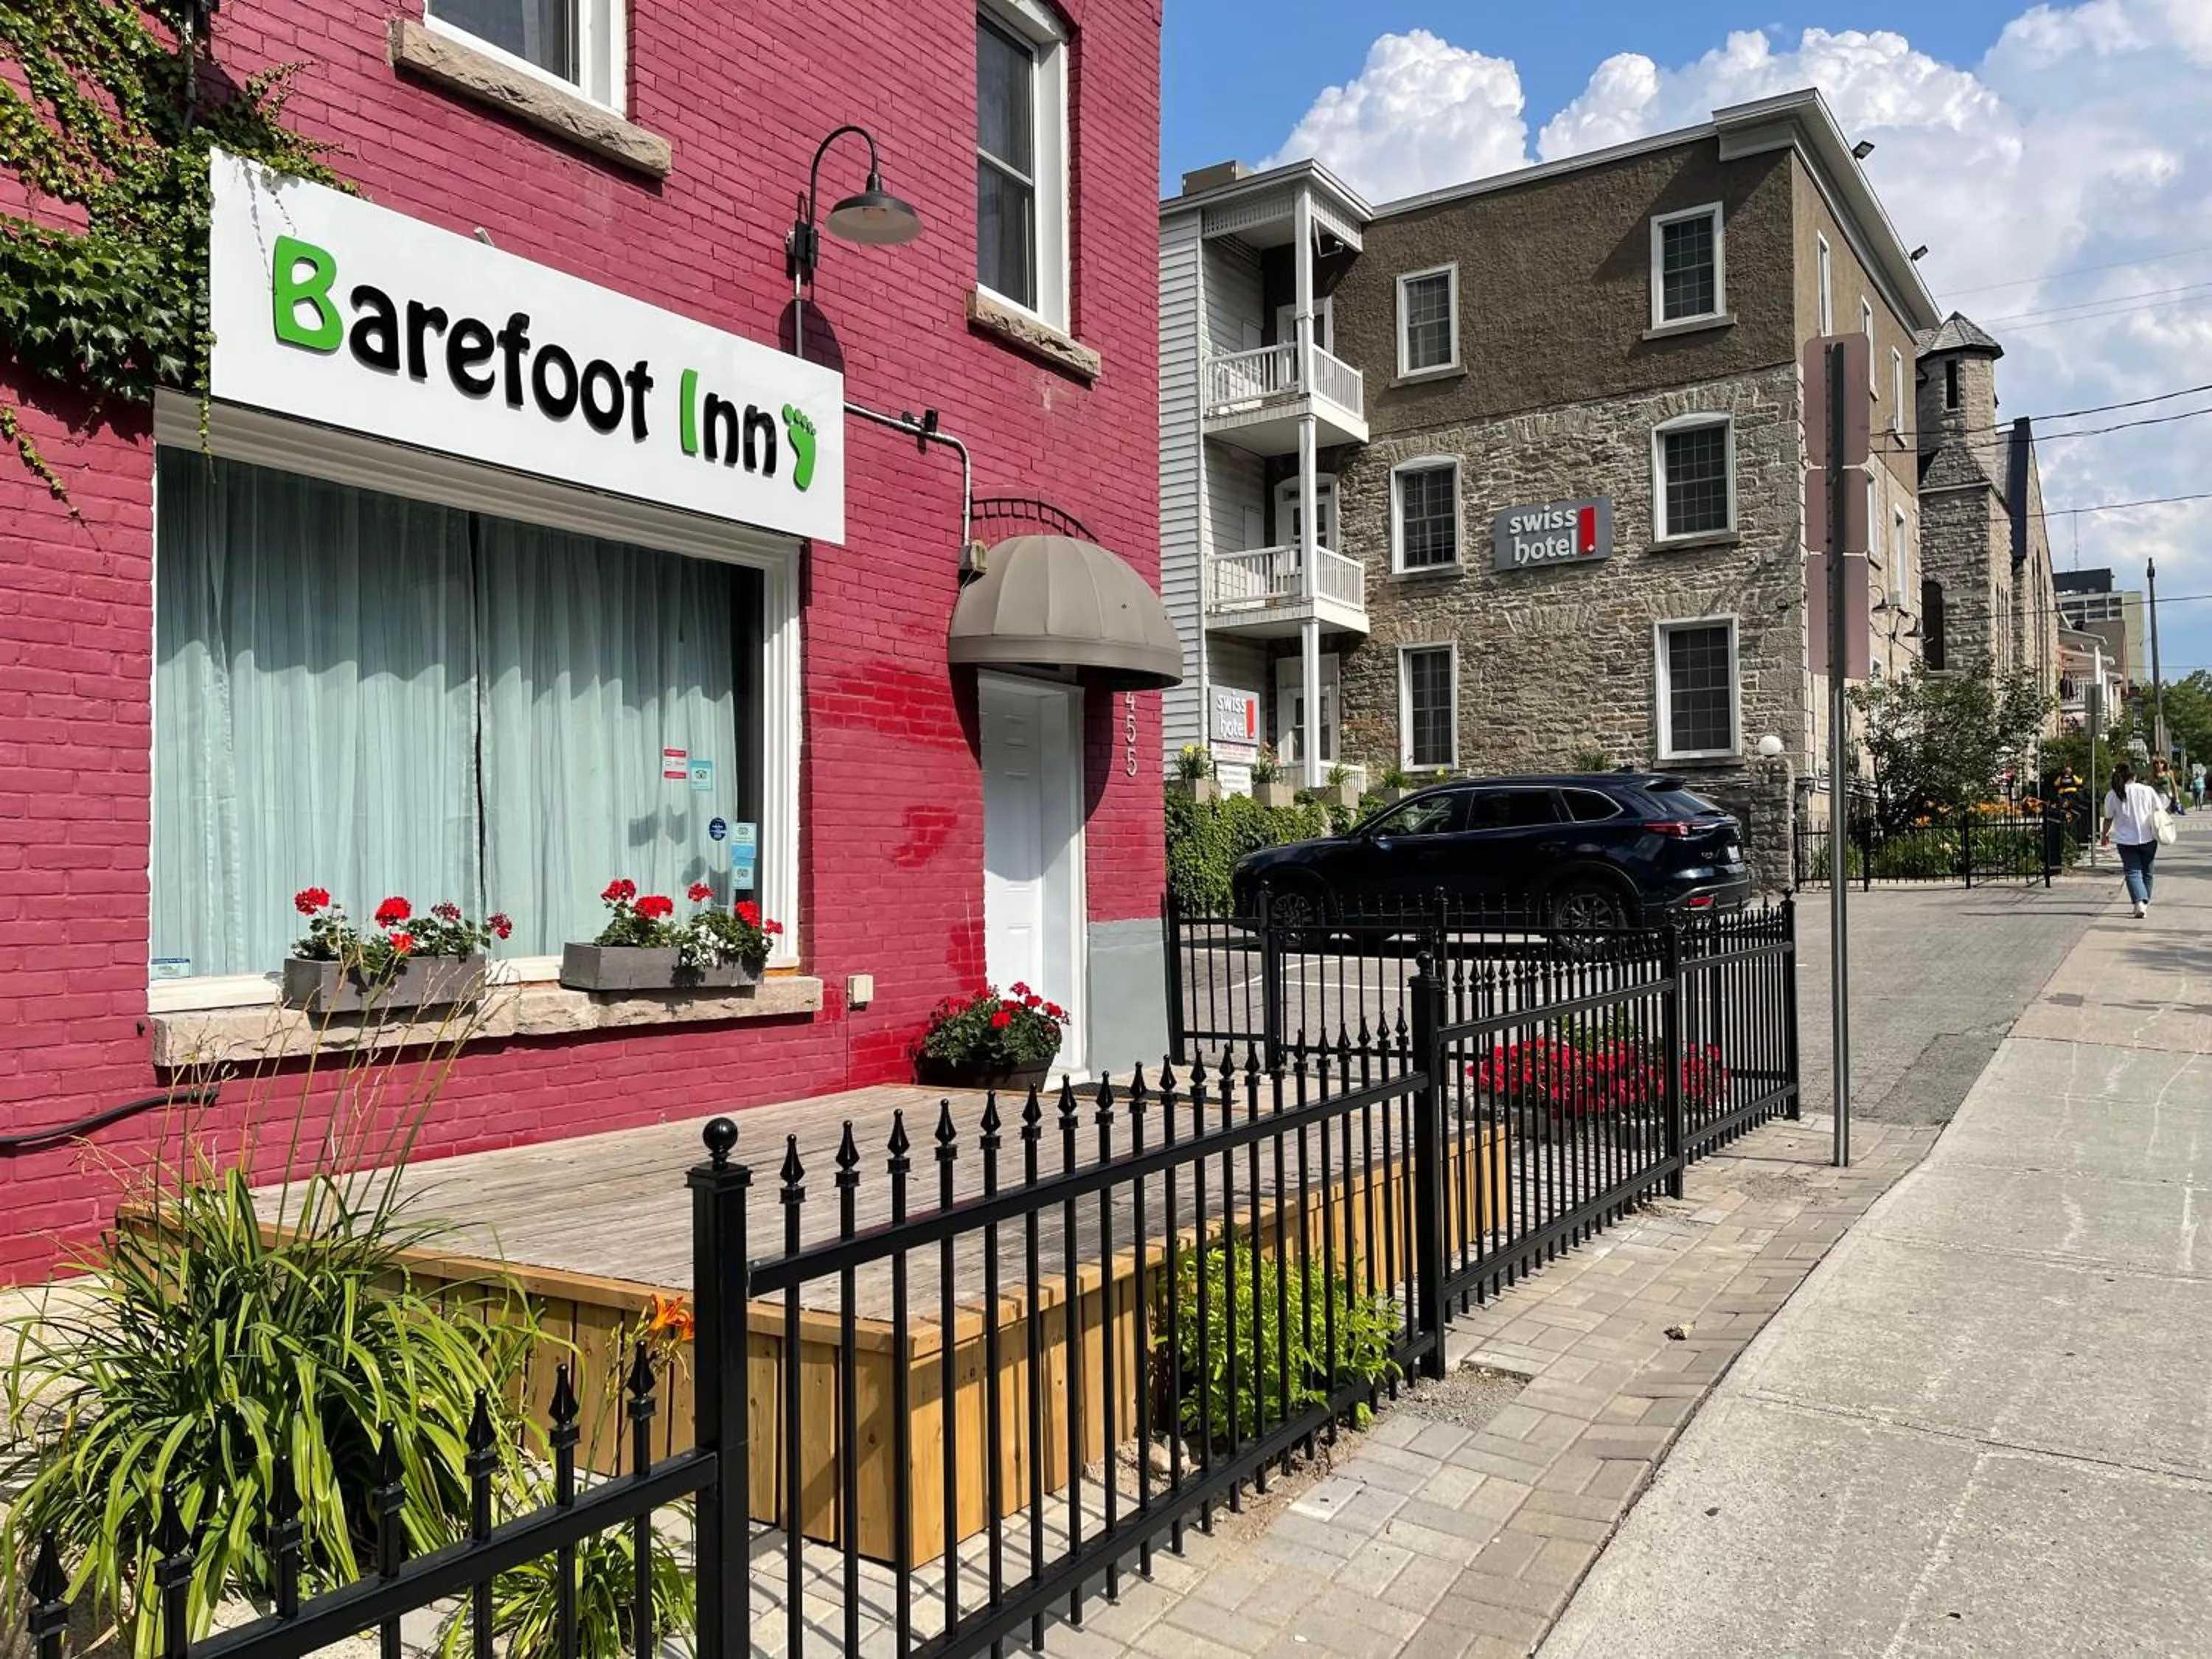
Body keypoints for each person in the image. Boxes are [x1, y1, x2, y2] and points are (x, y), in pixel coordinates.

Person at [2101, 761, 2165, 919]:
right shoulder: (2147, 790)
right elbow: (2159, 810)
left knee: (2132, 871)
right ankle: (2143, 903)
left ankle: (2139, 902)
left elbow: (2108, 818)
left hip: (2125, 840)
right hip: (2148, 837)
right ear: (2135, 775)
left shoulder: (2112, 794)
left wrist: (2104, 834)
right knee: (2147, 872)